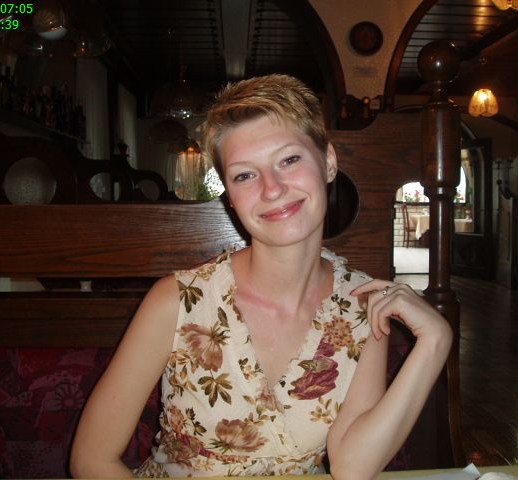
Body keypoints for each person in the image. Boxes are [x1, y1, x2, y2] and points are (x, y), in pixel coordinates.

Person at [70, 74, 452, 479]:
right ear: (231, 198)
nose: (272, 189)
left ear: (328, 162)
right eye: (244, 175)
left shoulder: (362, 305)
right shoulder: (179, 300)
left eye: (289, 160)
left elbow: (353, 469)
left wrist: (435, 341)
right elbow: (92, 459)